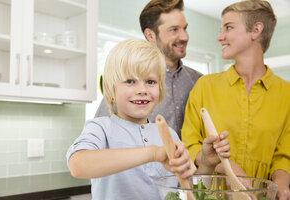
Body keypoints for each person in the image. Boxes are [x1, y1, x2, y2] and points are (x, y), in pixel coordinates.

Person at [67, 39, 231, 200]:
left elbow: (189, 195)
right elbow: (78, 166)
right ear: (111, 90)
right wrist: (153, 153)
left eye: (150, 82)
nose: (142, 90)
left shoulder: (170, 135)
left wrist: (207, 165)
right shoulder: (101, 128)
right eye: (130, 81)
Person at [181, 0, 290, 199]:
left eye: (228, 27)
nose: (220, 37)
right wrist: (230, 169)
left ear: (256, 30)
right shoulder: (205, 86)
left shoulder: (286, 94)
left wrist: (281, 187)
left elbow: (283, 156)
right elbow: (190, 145)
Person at [94, 0, 202, 138]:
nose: (184, 37)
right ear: (150, 35)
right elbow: (99, 139)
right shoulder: (127, 83)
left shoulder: (198, 80)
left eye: (185, 28)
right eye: (174, 29)